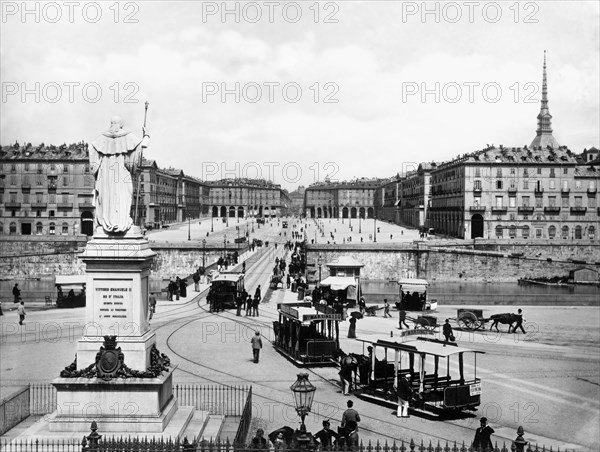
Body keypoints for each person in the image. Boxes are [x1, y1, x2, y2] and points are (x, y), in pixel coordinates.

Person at [88, 115, 149, 234]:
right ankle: (121, 222)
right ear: (121, 125)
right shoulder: (127, 136)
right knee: (123, 196)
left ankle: (108, 222)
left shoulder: (101, 138)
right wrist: (146, 135)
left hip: (105, 176)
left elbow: (92, 152)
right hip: (121, 175)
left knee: (106, 198)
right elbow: (141, 147)